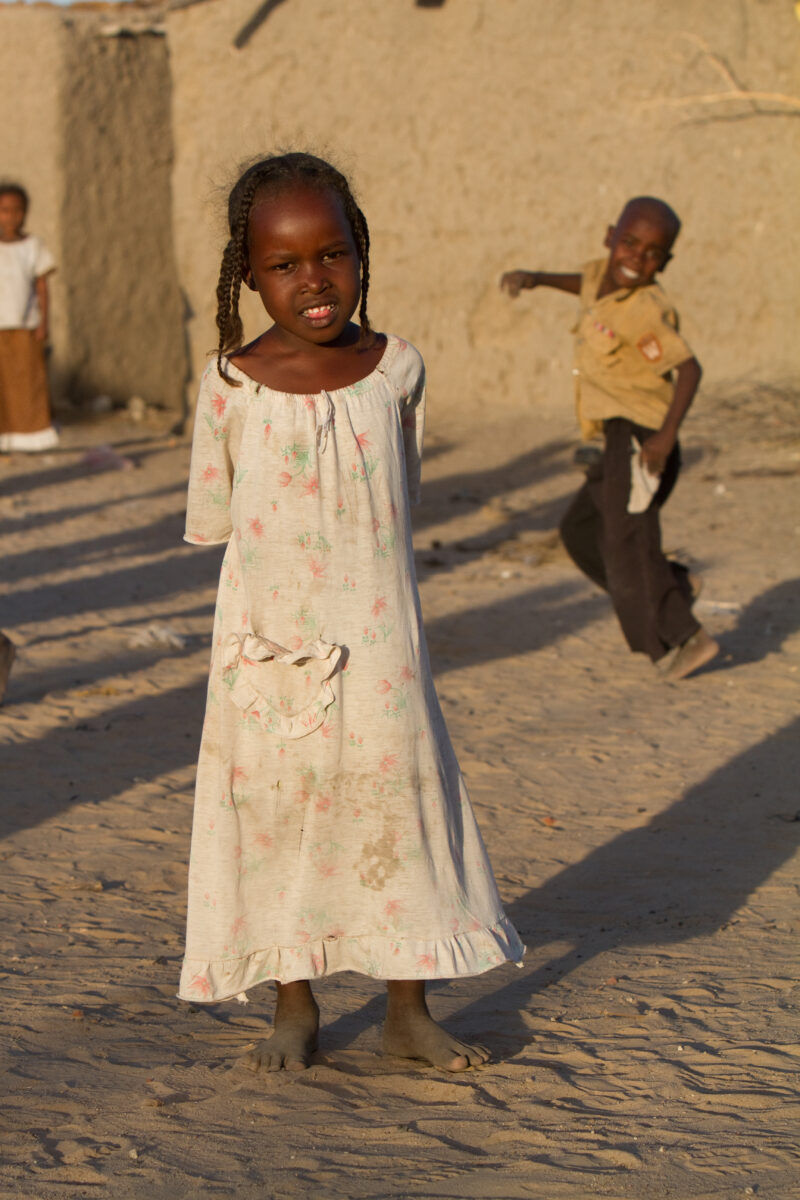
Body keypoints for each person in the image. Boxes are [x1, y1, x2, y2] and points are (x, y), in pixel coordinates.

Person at [179, 153, 523, 1072]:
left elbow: (397, 500)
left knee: (393, 809)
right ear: (249, 276)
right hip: (267, 649)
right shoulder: (230, 385)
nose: (313, 280)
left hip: (379, 648)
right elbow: (216, 517)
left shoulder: (395, 370)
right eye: (284, 265)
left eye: (331, 254)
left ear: (360, 253)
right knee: (279, 817)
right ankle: (293, 1006)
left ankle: (408, 1009)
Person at [500, 196, 718, 682]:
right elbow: (583, 285)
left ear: (665, 262)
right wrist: (535, 278)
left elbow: (689, 370)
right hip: (612, 438)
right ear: (610, 237)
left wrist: (664, 439)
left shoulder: (647, 310)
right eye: (630, 243)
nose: (637, 258)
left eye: (652, 253)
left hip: (642, 437)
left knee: (629, 544)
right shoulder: (600, 275)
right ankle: (674, 586)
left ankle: (684, 639)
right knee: (581, 534)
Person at [0, 182, 58, 453]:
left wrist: (44, 323)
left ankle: (31, 438)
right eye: (4, 210)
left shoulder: (33, 246)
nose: (11, 216)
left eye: (17, 210)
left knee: (27, 384)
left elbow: (42, 287)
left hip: (25, 325)